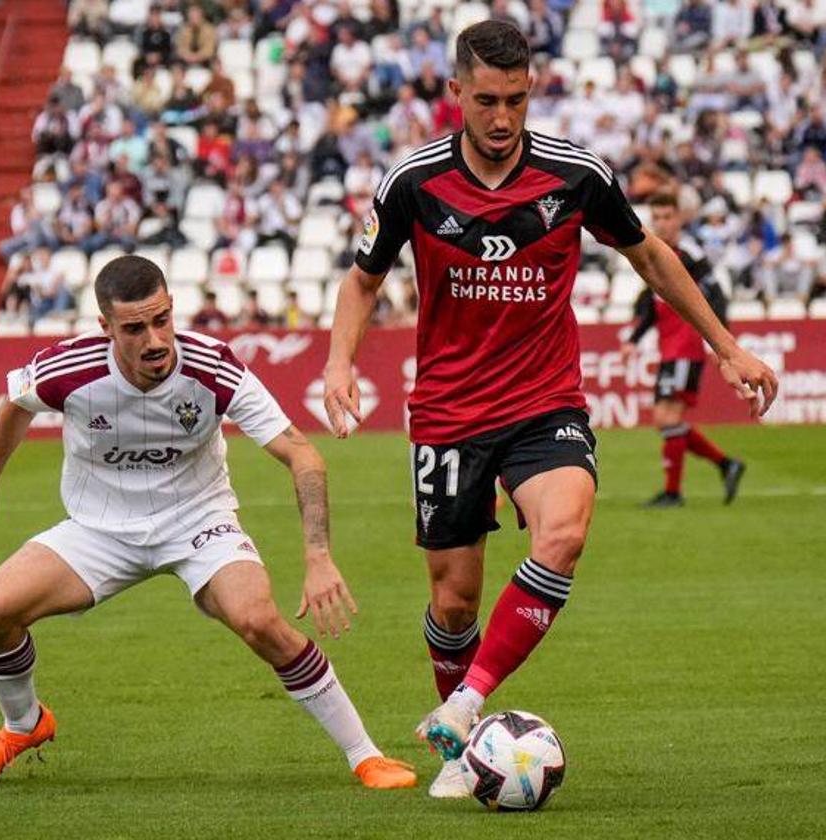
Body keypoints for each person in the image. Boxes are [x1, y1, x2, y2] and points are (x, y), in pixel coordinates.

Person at [323, 21, 777, 798]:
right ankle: (458, 745)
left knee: (564, 531)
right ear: (456, 93)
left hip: (545, 400)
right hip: (449, 413)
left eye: (517, 100)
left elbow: (649, 257)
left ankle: (467, 707)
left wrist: (726, 347)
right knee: (453, 599)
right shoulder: (414, 182)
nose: (502, 119)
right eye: (487, 101)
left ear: (532, 91)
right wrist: (339, 361)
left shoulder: (576, 174)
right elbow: (365, 278)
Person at [0, 256, 415, 791]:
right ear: (106, 329)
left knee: (259, 620)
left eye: (162, 319)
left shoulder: (213, 367)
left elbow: (303, 456)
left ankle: (365, 754)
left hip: (198, 523)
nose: (155, 340)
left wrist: (318, 556)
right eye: (135, 328)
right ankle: (22, 726)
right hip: (100, 529)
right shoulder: (69, 368)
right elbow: (15, 405)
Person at [621, 193, 744, 508]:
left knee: (666, 416)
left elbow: (716, 296)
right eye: (656, 217)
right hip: (669, 349)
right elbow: (652, 304)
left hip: (686, 347)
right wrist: (634, 339)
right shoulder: (654, 252)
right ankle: (725, 464)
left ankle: (674, 492)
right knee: (666, 419)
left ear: (678, 219)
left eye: (667, 217)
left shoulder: (689, 254)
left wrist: (723, 345)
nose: (661, 223)